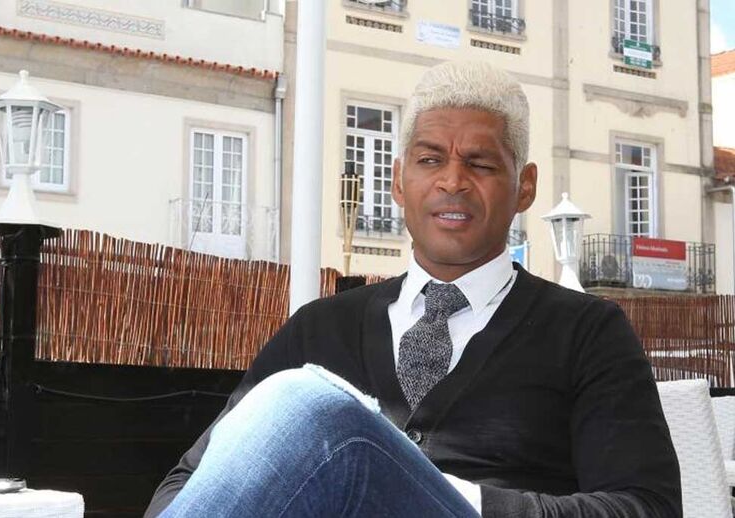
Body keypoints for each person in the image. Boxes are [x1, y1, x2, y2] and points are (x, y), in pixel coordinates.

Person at [145, 61, 681, 518]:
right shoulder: (318, 328)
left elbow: (646, 507)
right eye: (430, 160)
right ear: (398, 181)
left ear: (525, 187)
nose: (452, 181)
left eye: (480, 163)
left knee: (313, 408)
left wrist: (440, 495)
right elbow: (190, 483)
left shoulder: (587, 332)